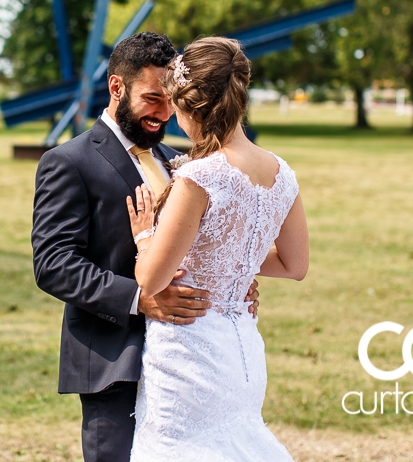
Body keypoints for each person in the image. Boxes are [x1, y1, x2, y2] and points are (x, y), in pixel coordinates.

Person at [31, 32, 260, 462]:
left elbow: (199, 245)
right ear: (117, 87)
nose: (165, 113)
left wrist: (234, 280)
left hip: (189, 365)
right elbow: (54, 264)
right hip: (115, 360)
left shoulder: (184, 163)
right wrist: (141, 299)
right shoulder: (68, 162)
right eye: (153, 99)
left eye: (171, 100)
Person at [126, 36, 309, 460]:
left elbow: (151, 279)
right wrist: (231, 265)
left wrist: (143, 235)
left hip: (188, 354)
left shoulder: (200, 177)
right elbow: (294, 264)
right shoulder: (283, 174)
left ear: (191, 107)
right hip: (242, 348)